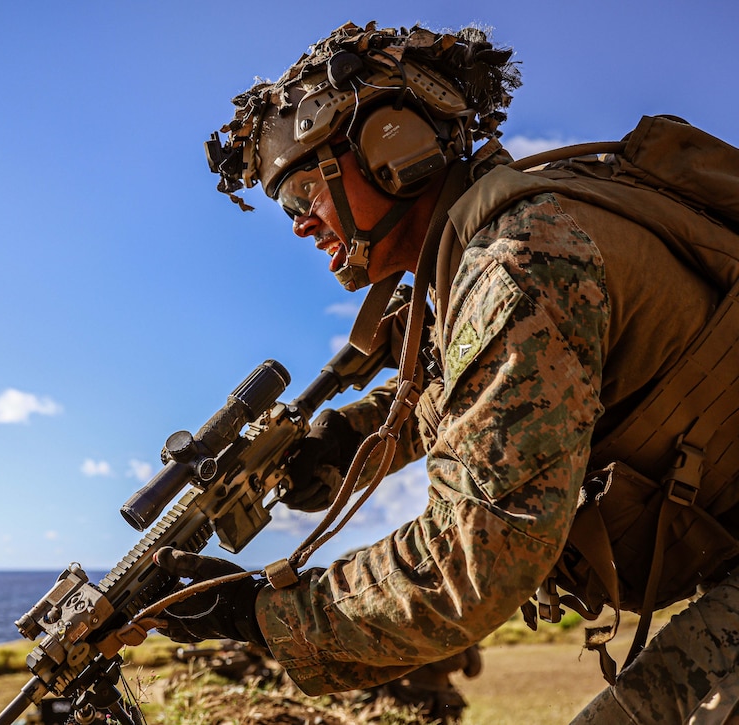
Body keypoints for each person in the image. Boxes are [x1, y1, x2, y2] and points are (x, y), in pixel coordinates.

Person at [151, 20, 739, 723]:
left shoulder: (517, 264)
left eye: (304, 193)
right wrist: (343, 444)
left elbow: (475, 559)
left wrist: (261, 616)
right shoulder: (521, 221)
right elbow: (476, 393)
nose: (301, 224)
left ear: (389, 148)